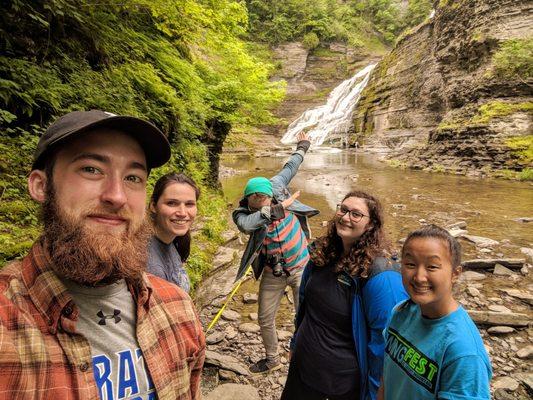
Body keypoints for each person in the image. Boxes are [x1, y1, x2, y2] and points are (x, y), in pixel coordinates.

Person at [0, 110, 205, 399]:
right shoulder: (7, 327)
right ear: (41, 186)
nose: (117, 196)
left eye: (133, 177)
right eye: (91, 169)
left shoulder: (178, 309)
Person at [282, 190, 408, 400]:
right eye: (343, 209)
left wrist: (374, 394)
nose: (346, 217)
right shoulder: (322, 253)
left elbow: (385, 343)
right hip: (302, 368)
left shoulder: (381, 275)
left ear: (370, 225)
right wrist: (295, 344)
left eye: (356, 214)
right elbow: (304, 305)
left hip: (339, 384)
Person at [232, 131, 319, 374]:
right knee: (264, 318)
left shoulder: (277, 185)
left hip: (302, 265)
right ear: (250, 201)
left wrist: (303, 145)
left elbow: (292, 165)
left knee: (305, 315)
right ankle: (272, 359)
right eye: (260, 202)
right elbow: (248, 226)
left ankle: (303, 356)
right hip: (273, 272)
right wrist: (280, 209)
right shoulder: (242, 213)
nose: (267, 203)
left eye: (269, 199)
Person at [378, 225, 492, 400]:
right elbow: (387, 377)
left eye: (432, 266)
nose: (419, 276)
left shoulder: (463, 352)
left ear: (455, 273)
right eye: (410, 264)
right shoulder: (401, 311)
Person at [147, 172, 200, 292]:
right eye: (171, 203)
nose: (182, 212)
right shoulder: (149, 265)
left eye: (189, 204)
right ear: (153, 206)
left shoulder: (172, 240)